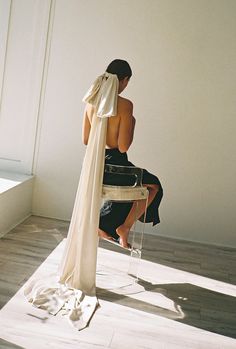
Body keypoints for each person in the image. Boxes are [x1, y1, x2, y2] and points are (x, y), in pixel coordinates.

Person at [82, 59, 163, 248]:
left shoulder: (90, 102)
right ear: (124, 80)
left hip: (96, 166)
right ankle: (124, 227)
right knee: (154, 186)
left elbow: (86, 140)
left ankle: (110, 226)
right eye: (128, 82)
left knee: (135, 182)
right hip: (117, 167)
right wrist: (132, 123)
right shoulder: (125, 105)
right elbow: (123, 147)